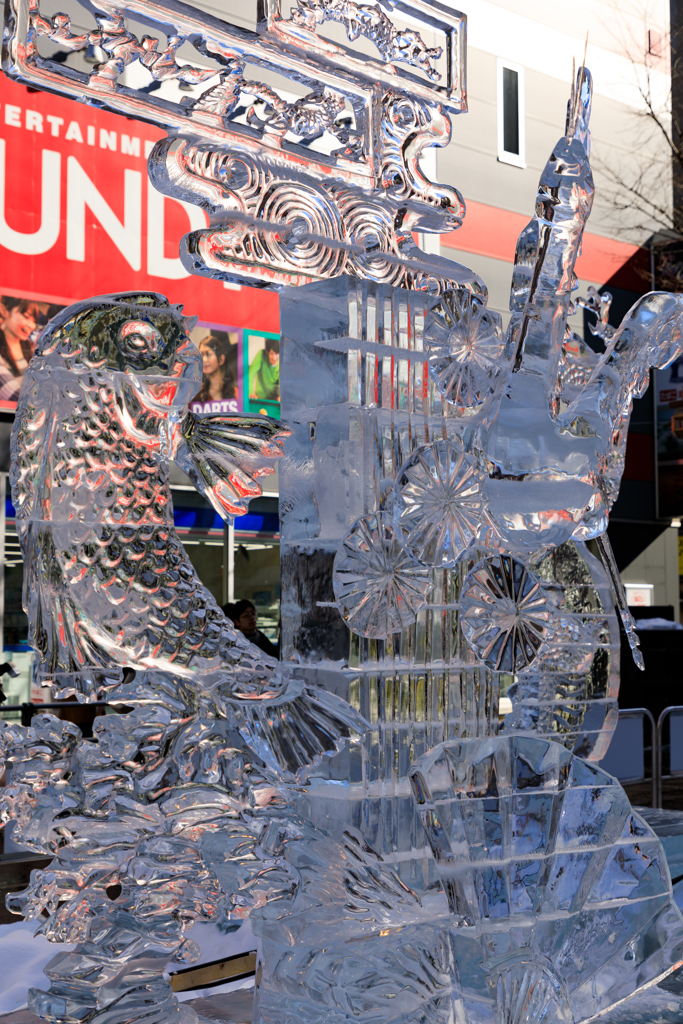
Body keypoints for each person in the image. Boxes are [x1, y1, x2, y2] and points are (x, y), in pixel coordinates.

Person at [0, 296, 41, 402]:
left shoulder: (28, 348)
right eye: (26, 317)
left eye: (34, 321)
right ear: (4, 311)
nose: (31, 325)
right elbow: (14, 395)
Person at [195, 333, 237, 404]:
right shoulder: (195, 394)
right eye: (201, 355)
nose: (204, 359)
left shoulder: (236, 393)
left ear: (221, 360)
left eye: (208, 354)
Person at [248, 337, 280, 403]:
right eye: (271, 353)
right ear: (266, 352)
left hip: (275, 398)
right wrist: (250, 392)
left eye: (277, 353)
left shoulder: (283, 362)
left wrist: (281, 395)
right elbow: (251, 373)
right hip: (260, 397)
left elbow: (282, 382)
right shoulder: (261, 354)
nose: (274, 358)